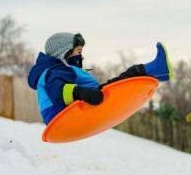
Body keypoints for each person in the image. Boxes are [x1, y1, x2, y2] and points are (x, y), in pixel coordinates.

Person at [28, 32, 172, 124]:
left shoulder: (56, 70)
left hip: (66, 113)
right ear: (65, 52)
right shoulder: (52, 72)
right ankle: (157, 68)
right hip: (62, 116)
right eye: (78, 51)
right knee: (122, 81)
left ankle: (158, 72)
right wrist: (81, 93)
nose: (80, 56)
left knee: (114, 84)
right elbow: (58, 91)